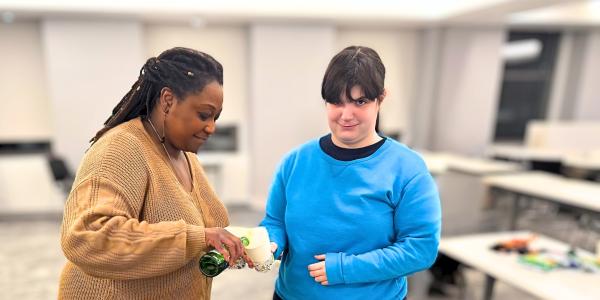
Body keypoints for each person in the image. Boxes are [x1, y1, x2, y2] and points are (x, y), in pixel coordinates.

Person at [58, 47, 252, 300]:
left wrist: (227, 243)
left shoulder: (185, 156)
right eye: (204, 114)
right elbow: (87, 237)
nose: (211, 127)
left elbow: (201, 233)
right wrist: (198, 237)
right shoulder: (121, 148)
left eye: (216, 117)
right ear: (168, 100)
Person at [260, 46, 441, 300]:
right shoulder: (295, 161)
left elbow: (420, 249)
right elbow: (275, 222)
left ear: (381, 98)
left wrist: (345, 269)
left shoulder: (408, 169)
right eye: (336, 102)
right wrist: (270, 243)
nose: (346, 115)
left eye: (360, 101)